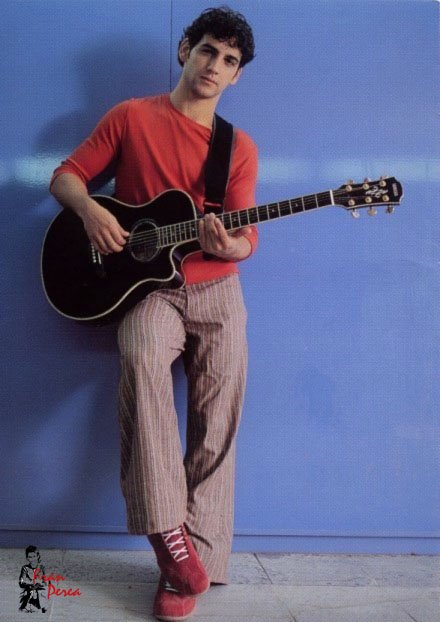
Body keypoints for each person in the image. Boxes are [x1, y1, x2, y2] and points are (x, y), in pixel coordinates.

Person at [49, 6, 257, 621]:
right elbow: (66, 177)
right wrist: (92, 211)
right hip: (150, 292)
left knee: (218, 418)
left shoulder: (238, 148)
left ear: (237, 75)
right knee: (140, 360)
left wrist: (229, 245)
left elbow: (248, 239)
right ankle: (169, 533)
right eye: (208, 50)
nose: (214, 65)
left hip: (218, 289)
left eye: (229, 60)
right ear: (185, 49)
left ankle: (193, 571)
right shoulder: (131, 117)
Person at [18, 546, 47, 612]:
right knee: (31, 592)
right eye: (30, 557)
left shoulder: (41, 568)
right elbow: (21, 582)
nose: (32, 559)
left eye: (34, 556)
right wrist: (30, 585)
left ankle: (40, 607)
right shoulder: (25, 568)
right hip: (29, 589)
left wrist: (39, 584)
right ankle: (26, 607)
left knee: (41, 593)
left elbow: (44, 582)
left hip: (39, 589)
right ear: (27, 558)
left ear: (38, 556)